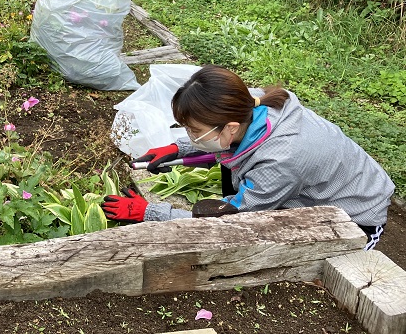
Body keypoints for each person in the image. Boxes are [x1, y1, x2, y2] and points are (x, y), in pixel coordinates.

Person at [102, 65, 394, 250]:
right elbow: (225, 142)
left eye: (194, 131)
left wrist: (149, 213)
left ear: (229, 127)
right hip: (316, 188)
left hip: (354, 216)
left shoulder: (280, 161)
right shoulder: (250, 103)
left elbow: (233, 218)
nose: (190, 135)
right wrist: (179, 148)